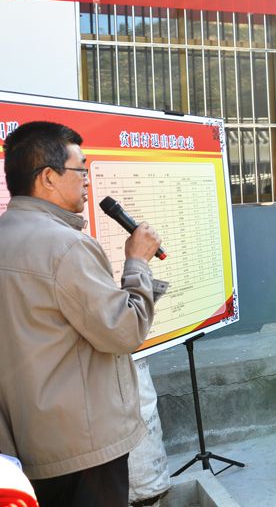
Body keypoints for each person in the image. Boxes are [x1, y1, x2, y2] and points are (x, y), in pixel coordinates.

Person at [0, 121, 165, 507]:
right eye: (81, 169)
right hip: (84, 446)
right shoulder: (66, 246)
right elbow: (124, 331)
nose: (87, 180)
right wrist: (137, 262)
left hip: (25, 443)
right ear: (48, 178)